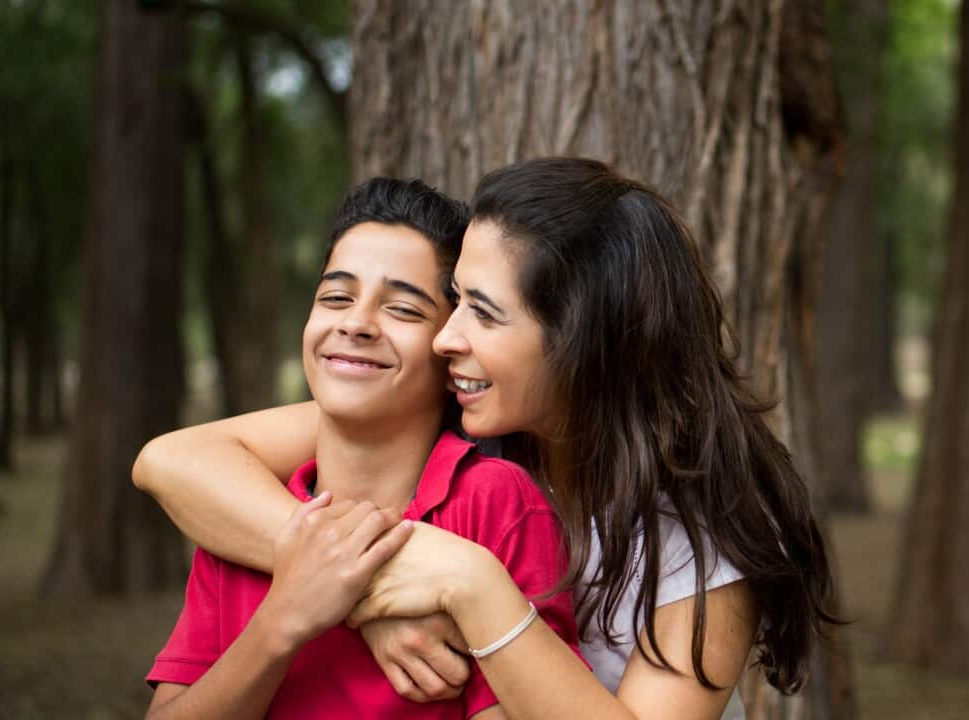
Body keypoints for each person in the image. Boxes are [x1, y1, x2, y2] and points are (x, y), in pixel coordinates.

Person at [135, 158, 839, 720]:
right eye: (454, 300)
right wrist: (352, 590)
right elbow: (174, 462)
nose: (447, 338)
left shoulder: (699, 542)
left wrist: (475, 586)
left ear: (579, 344)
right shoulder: (456, 420)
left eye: (483, 313)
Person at [143, 178, 581, 720]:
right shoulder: (237, 516)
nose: (355, 323)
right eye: (335, 297)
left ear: (450, 353)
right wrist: (285, 618)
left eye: (402, 309)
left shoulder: (493, 503)